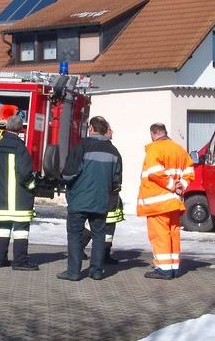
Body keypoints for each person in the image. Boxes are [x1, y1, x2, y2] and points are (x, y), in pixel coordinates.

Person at [58, 116, 122, 281]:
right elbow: (117, 181)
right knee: (99, 235)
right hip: (101, 201)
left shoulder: (82, 146)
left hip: (79, 200)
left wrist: (65, 182)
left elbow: (69, 173)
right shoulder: (114, 152)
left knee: (74, 235)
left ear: (92, 129)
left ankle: (73, 272)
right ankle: (96, 271)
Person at [137, 123, 194, 280]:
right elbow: (189, 171)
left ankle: (163, 269)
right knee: (172, 234)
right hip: (174, 202)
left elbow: (154, 173)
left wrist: (172, 186)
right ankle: (173, 266)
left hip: (158, 203)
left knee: (159, 235)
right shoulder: (179, 149)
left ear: (154, 133)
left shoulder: (154, 149)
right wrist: (180, 186)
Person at [0, 115, 38, 271]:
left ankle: (0, 260)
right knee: (21, 230)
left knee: (2, 228)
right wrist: (32, 186)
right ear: (21, 129)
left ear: (6, 127)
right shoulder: (21, 148)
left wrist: (0, 183)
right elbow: (25, 175)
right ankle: (20, 261)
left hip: (2, 198)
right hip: (20, 198)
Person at [80, 126, 124, 264]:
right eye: (110, 130)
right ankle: (82, 249)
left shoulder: (108, 150)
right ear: (105, 132)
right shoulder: (111, 151)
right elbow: (116, 175)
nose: (113, 132)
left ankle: (104, 253)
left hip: (107, 194)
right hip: (107, 194)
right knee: (94, 224)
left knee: (108, 227)